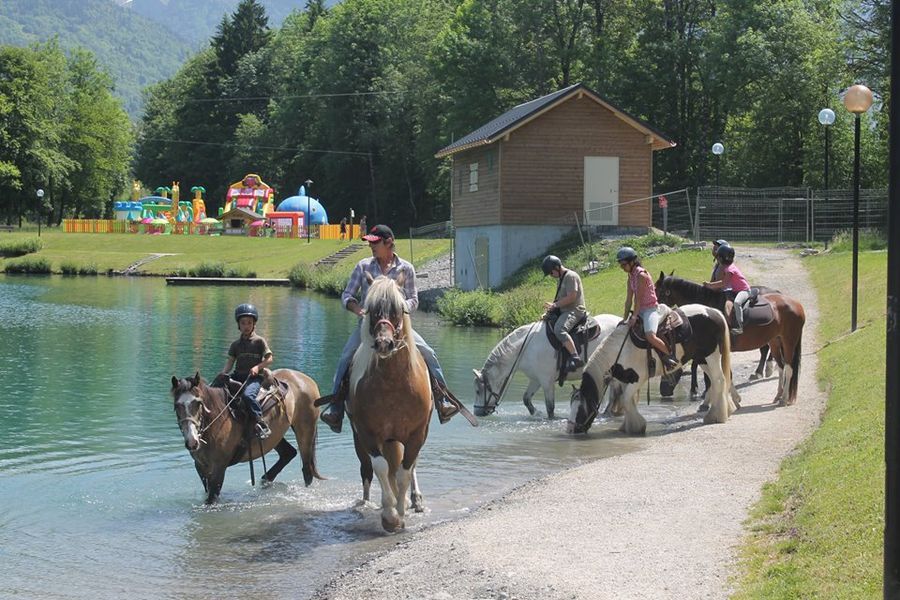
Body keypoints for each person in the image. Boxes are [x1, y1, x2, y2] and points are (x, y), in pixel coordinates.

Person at [318, 224, 459, 433]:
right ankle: (336, 407)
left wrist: (401, 309)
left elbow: (413, 299)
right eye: (370, 243)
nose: (371, 247)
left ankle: (442, 400)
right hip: (368, 328)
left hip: (400, 328)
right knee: (346, 355)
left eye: (375, 243)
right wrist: (358, 309)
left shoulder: (406, 268)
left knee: (429, 353)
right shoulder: (363, 266)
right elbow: (347, 295)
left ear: (389, 243)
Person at [616, 246, 678, 370]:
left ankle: (669, 355)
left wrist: (634, 316)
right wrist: (624, 318)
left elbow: (638, 299)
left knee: (650, 335)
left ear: (632, 262)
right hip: (641, 310)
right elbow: (629, 299)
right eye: (621, 265)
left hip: (651, 309)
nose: (622, 267)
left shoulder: (641, 275)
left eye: (623, 264)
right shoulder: (630, 276)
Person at [221, 303, 273, 439]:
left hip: (254, 378)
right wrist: (223, 374)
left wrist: (257, 367)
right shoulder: (235, 345)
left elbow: (269, 359)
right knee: (216, 390)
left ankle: (260, 422)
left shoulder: (259, 341)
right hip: (238, 375)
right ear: (239, 325)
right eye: (243, 323)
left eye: (249, 323)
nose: (246, 326)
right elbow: (230, 362)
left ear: (254, 324)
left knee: (247, 396)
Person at [541, 255, 588, 371]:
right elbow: (560, 299)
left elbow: (572, 297)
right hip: (564, 310)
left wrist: (555, 305)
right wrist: (550, 310)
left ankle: (575, 357)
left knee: (559, 329)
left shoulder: (570, 276)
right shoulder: (561, 279)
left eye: (551, 273)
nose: (551, 276)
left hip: (575, 310)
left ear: (557, 267)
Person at [704, 244, 750, 334]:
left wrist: (710, 285)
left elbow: (723, 283)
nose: (718, 260)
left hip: (744, 291)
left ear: (722, 259)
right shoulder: (727, 268)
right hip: (735, 290)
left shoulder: (729, 270)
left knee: (737, 303)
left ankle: (739, 326)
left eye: (719, 258)